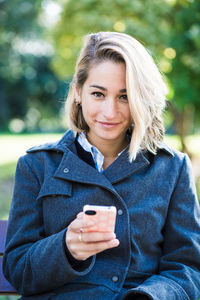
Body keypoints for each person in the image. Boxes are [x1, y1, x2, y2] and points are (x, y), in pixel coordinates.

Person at [3, 31, 200, 300]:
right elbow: (18, 269)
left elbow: (188, 268)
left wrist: (149, 296)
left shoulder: (171, 167)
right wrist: (66, 248)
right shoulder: (37, 165)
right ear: (77, 92)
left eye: (125, 96)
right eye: (98, 94)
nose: (110, 112)